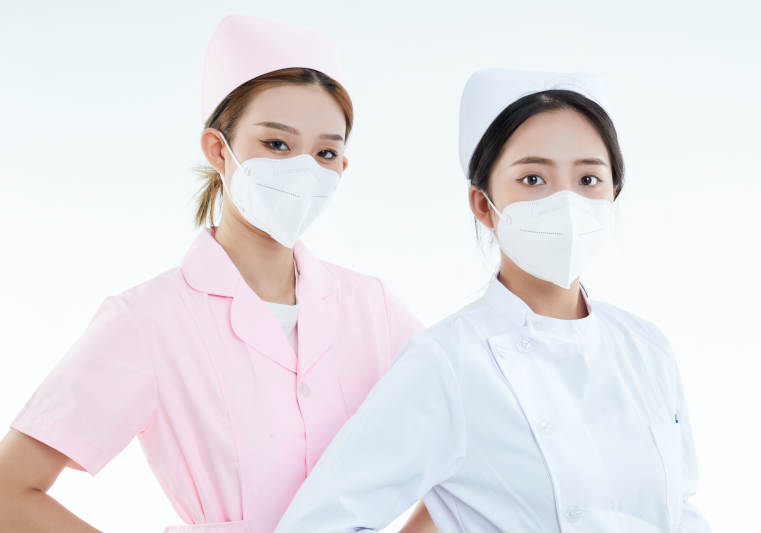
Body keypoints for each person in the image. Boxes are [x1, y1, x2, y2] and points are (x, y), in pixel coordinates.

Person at [0, 14, 437, 533]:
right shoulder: (148, 320)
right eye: (276, 144)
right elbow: (9, 492)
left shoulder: (374, 308)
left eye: (325, 152)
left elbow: (477, 445)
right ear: (217, 150)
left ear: (342, 167)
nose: (303, 169)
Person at [274, 68, 712, 532]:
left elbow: (679, 508)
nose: (566, 203)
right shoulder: (448, 361)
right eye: (533, 179)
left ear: (612, 196)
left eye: (588, 179)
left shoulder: (646, 347)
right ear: (483, 205)